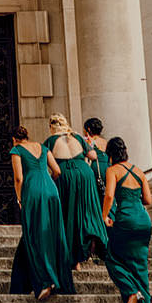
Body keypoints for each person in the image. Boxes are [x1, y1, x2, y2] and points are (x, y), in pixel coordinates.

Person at [44, 115, 107, 289]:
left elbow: (45, 162)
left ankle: (74, 259)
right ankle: (89, 243)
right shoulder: (77, 137)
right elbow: (93, 155)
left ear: (51, 127)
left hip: (65, 176)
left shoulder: (49, 141)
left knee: (68, 215)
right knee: (85, 212)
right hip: (84, 173)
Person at [7, 125, 65, 302]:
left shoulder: (16, 150)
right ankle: (54, 277)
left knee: (34, 235)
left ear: (14, 139)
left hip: (33, 192)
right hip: (50, 190)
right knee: (51, 234)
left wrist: (19, 197)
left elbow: (19, 178)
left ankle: (45, 281)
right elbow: (57, 170)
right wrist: (47, 182)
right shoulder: (43, 147)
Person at [100, 136, 152, 303]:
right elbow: (148, 199)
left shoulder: (112, 170)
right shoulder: (139, 171)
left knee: (112, 258)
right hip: (144, 222)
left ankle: (131, 291)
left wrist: (104, 215)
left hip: (126, 219)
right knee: (140, 265)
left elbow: (109, 195)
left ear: (110, 154)